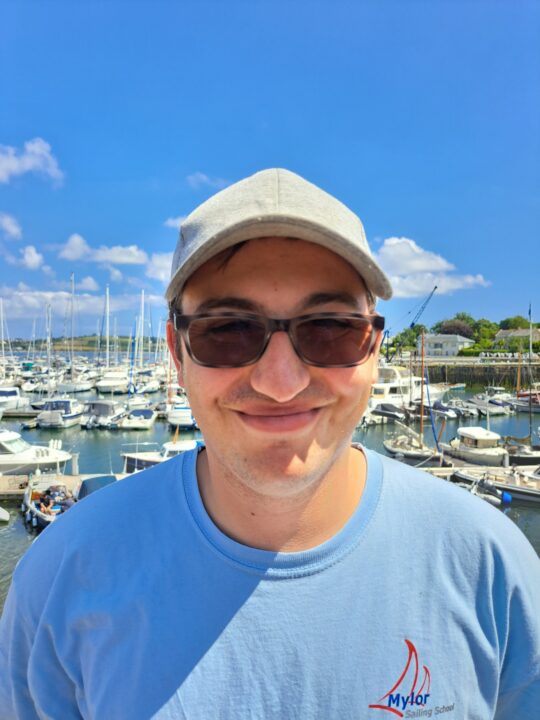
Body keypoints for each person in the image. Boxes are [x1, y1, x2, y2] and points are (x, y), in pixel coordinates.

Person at [1, 169, 539, 719]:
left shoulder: (492, 569)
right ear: (177, 352)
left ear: (373, 348)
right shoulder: (60, 580)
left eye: (329, 328)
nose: (280, 383)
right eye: (227, 330)